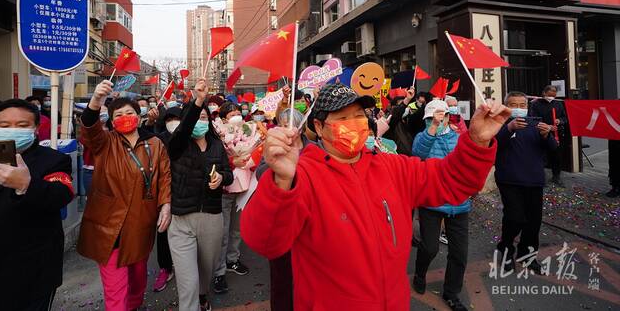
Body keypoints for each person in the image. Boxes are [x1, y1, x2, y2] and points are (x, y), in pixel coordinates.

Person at [241, 83, 509, 310]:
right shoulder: (303, 175)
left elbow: (452, 181)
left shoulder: (393, 167)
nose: (354, 124)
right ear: (319, 127)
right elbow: (266, 242)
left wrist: (477, 141)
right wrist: (282, 181)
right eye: (342, 118)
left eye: (358, 115)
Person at [78, 81, 172, 311]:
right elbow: (89, 129)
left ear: (139, 117)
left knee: (137, 280)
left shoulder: (155, 143)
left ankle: (134, 305)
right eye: (118, 114)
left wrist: (165, 205)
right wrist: (95, 101)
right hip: (108, 226)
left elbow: (164, 177)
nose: (125, 117)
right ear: (110, 121)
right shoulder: (105, 142)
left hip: (141, 222)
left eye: (130, 113)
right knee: (115, 290)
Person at [0, 99, 74, 310]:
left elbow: (62, 194)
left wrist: (26, 185)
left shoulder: (55, 160)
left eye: (22, 125)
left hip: (33, 271)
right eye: (4, 125)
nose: (13, 130)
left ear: (36, 128)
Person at [167, 79, 233, 311]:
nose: (200, 122)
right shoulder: (177, 145)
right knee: (188, 283)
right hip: (182, 220)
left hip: (212, 218)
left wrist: (221, 179)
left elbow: (229, 174)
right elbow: (184, 128)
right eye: (196, 118)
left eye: (204, 118)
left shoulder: (217, 146)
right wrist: (198, 101)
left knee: (206, 272)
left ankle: (203, 296)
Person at [411, 100, 470, 311]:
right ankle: (420, 273)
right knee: (429, 247)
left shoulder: (458, 138)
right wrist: (433, 129)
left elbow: (469, 162)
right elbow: (418, 154)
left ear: (448, 117)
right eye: (431, 118)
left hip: (458, 204)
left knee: (459, 253)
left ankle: (451, 293)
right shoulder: (423, 137)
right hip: (431, 201)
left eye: (441, 117)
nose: (436, 121)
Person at [495, 91, 557, 274]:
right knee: (514, 218)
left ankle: (527, 255)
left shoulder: (536, 125)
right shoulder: (499, 124)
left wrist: (547, 135)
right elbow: (493, 144)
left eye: (522, 105)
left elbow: (553, 149)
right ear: (506, 106)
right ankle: (506, 250)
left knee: (533, 222)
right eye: (514, 105)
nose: (519, 108)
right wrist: (510, 128)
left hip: (534, 180)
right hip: (509, 179)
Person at [255, 108, 306, 311]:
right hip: (281, 223)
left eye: (290, 124)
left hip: (308, 223)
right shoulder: (272, 147)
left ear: (301, 128)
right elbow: (260, 174)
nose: (286, 129)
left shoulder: (316, 149)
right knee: (281, 279)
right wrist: (276, 167)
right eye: (282, 125)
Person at [214, 102, 250, 294]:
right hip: (224, 190)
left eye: (238, 113)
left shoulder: (247, 131)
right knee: (222, 231)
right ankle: (218, 271)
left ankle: (233, 260)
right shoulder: (217, 135)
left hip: (243, 188)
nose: (236, 116)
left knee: (237, 229)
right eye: (232, 114)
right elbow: (214, 160)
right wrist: (231, 161)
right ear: (223, 118)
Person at [152, 107, 182, 293]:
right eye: (169, 118)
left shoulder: (190, 135)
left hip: (184, 192)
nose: (172, 122)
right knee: (162, 231)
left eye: (176, 118)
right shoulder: (159, 138)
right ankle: (165, 268)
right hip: (163, 190)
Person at [529, 85, 568, 187]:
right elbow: (534, 119)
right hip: (541, 133)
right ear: (544, 93)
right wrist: (548, 127)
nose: (552, 97)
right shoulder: (536, 104)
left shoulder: (558, 103)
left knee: (556, 156)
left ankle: (556, 176)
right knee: (542, 156)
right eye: (550, 95)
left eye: (554, 95)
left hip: (557, 134)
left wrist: (560, 121)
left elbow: (565, 117)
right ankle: (541, 177)